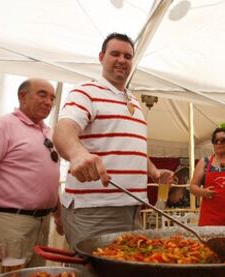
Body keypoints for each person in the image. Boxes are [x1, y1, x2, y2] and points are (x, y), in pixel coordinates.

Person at [53, 33, 173, 249]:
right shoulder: (85, 92)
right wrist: (77, 153)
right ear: (101, 57)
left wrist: (153, 172)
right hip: (95, 211)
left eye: (128, 56)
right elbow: (64, 130)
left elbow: (131, 147)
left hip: (133, 207)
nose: (122, 60)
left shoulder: (134, 100)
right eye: (115, 54)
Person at [0, 78, 60, 275]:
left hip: (40, 224)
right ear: (22, 96)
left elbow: (43, 178)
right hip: (7, 225)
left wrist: (58, 212)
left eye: (52, 98)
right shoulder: (1, 126)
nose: (49, 102)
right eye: (42, 94)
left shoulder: (48, 132)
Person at [190, 127, 225, 226]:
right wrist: (203, 192)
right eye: (216, 141)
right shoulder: (204, 162)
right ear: (213, 144)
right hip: (211, 219)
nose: (219, 143)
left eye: (224, 140)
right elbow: (192, 187)